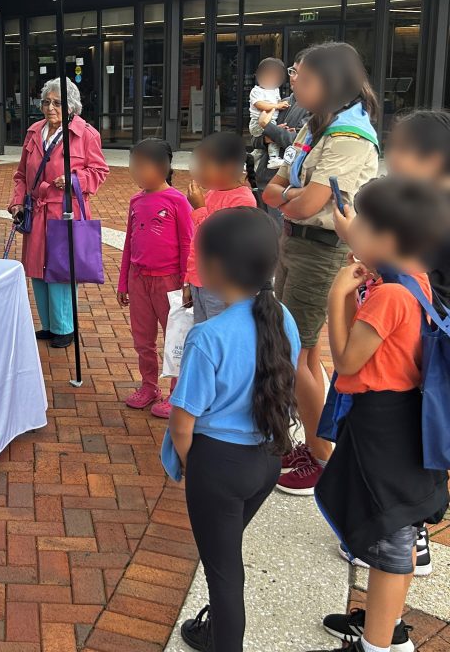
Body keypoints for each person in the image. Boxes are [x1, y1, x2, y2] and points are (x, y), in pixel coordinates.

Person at [313, 177, 450, 652]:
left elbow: (348, 362)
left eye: (364, 227)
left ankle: (377, 645)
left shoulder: (391, 295)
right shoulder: (415, 277)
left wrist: (337, 295)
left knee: (391, 538)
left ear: (389, 239)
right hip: (405, 420)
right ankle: (384, 627)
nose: (353, 234)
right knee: (398, 533)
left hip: (382, 428)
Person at [162, 207, 300, 652]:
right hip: (268, 459)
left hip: (218, 466)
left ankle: (225, 641)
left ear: (216, 268)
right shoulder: (283, 318)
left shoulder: (209, 336)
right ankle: (216, 631)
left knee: (225, 574)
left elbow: (183, 423)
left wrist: (193, 469)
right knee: (224, 556)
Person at [332, 109, 450, 580]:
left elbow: (345, 361)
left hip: (392, 397)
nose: (391, 156)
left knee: (395, 509)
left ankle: (407, 540)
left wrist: (341, 291)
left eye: (400, 149)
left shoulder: (425, 232)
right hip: (413, 371)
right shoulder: (419, 215)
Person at [262, 41, 380, 495]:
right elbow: (273, 187)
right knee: (302, 352)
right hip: (297, 244)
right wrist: (291, 196)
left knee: (297, 354)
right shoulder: (314, 126)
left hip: (324, 250)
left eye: (302, 76)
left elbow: (299, 198)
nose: (294, 81)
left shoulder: (349, 136)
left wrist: (288, 196)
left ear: (329, 83)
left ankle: (319, 457)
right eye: (294, 73)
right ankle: (313, 445)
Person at [9, 78, 108, 348]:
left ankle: (65, 327)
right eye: (46, 102)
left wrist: (75, 179)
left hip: (65, 211)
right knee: (37, 270)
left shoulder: (86, 134)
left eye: (57, 102)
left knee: (61, 270)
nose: (50, 107)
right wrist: (17, 202)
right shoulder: (34, 132)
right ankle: (49, 325)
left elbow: (99, 172)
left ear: (71, 106)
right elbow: (20, 175)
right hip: (36, 210)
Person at [118, 139, 193, 418]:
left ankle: (177, 393)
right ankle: (149, 386)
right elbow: (129, 243)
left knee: (175, 339)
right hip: (139, 281)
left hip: (169, 282)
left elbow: (189, 244)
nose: (134, 172)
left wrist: (187, 283)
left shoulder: (177, 201)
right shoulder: (136, 201)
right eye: (132, 166)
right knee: (142, 339)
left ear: (162, 167)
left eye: (140, 166)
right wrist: (123, 281)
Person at [183, 132, 258, 323]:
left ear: (229, 167)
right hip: (200, 281)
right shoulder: (210, 194)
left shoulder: (242, 199)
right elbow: (196, 244)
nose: (199, 172)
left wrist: (199, 208)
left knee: (219, 336)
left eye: (205, 166)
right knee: (204, 335)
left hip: (221, 285)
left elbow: (221, 240)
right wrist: (189, 280)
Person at [253, 51, 311, 222]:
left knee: (278, 238)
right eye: (292, 71)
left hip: (286, 185)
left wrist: (268, 127)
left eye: (301, 73)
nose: (294, 77)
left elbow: (296, 141)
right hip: (263, 178)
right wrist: (266, 136)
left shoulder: (315, 108)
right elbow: (255, 139)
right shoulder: (281, 102)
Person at [248, 58, 290, 169]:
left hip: (271, 120)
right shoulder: (256, 91)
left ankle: (251, 159)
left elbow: (278, 102)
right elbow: (261, 105)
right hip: (257, 123)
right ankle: (273, 159)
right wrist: (277, 106)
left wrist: (281, 104)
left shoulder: (275, 90)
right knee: (273, 136)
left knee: (264, 145)